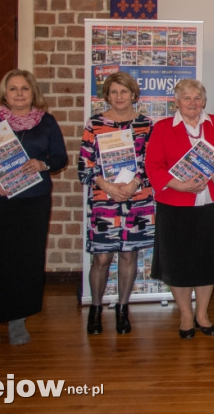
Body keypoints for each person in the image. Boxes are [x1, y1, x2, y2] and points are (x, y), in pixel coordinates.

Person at [0, 69, 68, 354]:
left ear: (34, 93)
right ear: (4, 94)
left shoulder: (47, 123)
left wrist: (42, 164)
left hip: (32, 200)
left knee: (26, 259)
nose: (19, 94)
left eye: (24, 89)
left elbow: (60, 157)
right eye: (13, 89)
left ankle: (19, 322)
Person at [145, 79, 214, 339]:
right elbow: (153, 166)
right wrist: (178, 184)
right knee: (178, 262)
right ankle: (186, 315)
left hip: (211, 204)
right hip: (175, 204)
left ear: (204, 101)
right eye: (186, 98)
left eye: (197, 98)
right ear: (176, 102)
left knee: (207, 261)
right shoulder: (163, 127)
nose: (192, 103)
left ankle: (202, 313)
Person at [78, 71, 155, 336]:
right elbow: (84, 166)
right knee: (101, 258)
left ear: (133, 94)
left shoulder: (146, 124)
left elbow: (151, 163)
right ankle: (96, 308)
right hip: (104, 200)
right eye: (114, 92)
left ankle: (123, 309)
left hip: (137, 199)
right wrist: (108, 186)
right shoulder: (95, 124)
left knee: (128, 254)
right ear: (107, 95)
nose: (119, 96)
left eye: (124, 91)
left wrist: (134, 184)